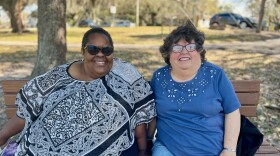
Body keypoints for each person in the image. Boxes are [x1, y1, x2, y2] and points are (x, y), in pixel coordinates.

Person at [0, 27, 156, 156]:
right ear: (83, 51)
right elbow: (26, 112)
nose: (100, 54)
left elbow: (140, 114)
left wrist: (143, 150)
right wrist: (2, 136)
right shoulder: (57, 78)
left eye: (107, 50)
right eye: (93, 49)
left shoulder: (124, 73)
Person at [148, 23, 241, 156]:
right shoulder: (159, 77)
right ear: (168, 53)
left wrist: (229, 150)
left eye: (191, 47)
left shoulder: (215, 75)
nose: (184, 51)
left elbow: (232, 111)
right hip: (168, 148)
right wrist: (146, 141)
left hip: (209, 149)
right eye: (177, 48)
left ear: (200, 51)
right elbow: (151, 114)